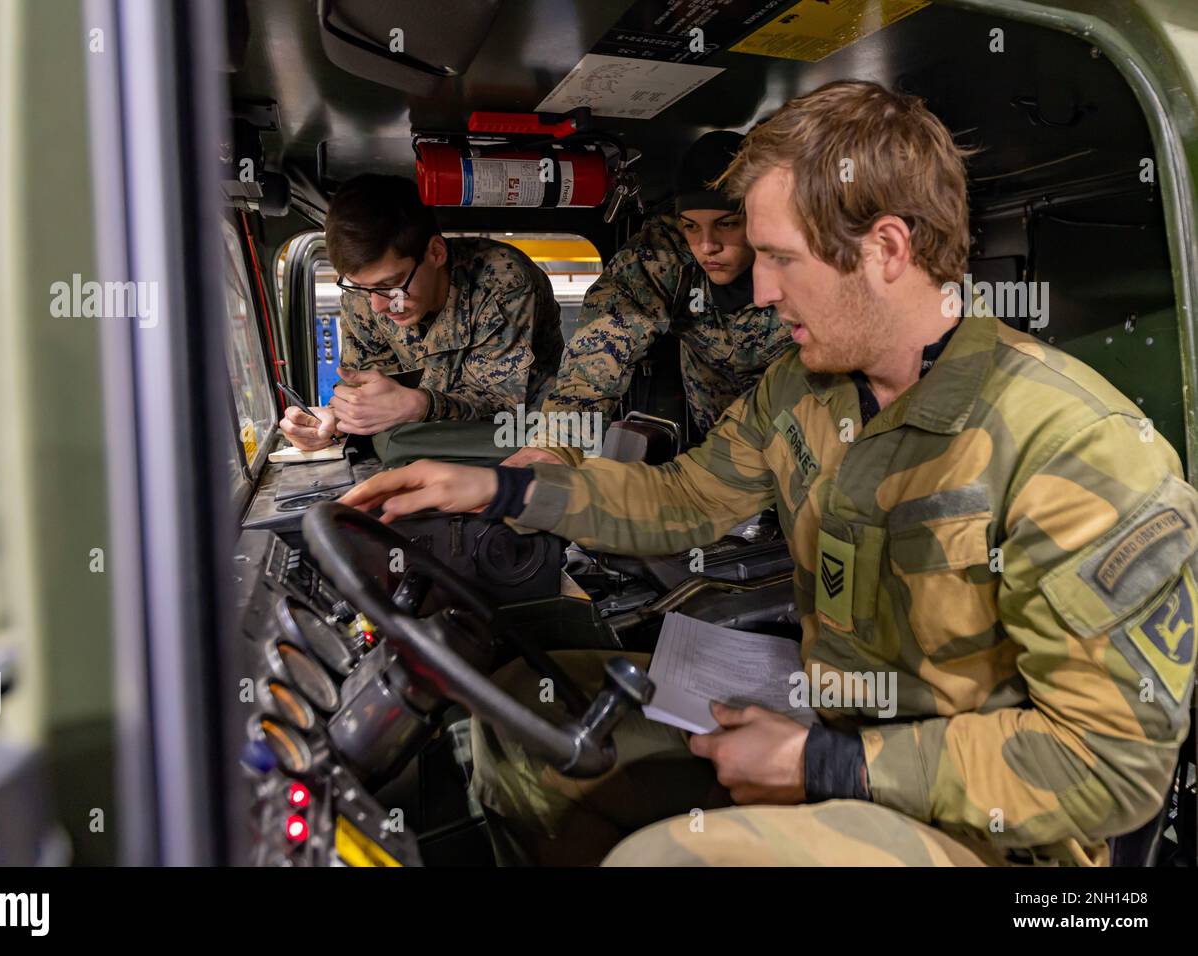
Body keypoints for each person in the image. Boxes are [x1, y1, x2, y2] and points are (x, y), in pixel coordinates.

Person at [339, 81, 1197, 867]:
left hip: (985, 833)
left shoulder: (1077, 452)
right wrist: (505, 489)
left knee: (662, 861)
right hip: (827, 732)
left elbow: (1111, 766)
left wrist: (826, 765)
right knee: (528, 718)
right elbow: (683, 501)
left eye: (780, 257)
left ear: (887, 249)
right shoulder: (806, 388)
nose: (758, 283)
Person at [504, 131, 790, 467]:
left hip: (802, 430)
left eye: (727, 223)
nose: (707, 245)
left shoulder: (804, 256)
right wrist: (556, 444)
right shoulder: (666, 250)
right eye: (691, 226)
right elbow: (605, 337)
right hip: (721, 438)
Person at [280, 174, 563, 447]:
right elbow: (365, 384)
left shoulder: (502, 281)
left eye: (390, 284)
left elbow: (503, 407)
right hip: (420, 443)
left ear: (436, 253)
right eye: (361, 288)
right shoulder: (365, 295)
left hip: (528, 440)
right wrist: (336, 422)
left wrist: (419, 404)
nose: (378, 305)